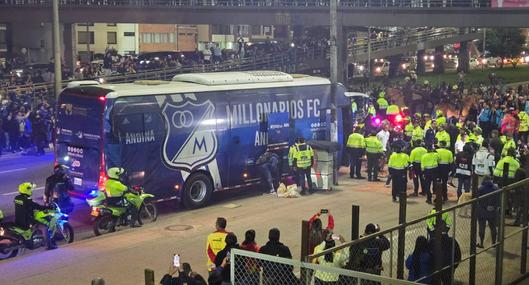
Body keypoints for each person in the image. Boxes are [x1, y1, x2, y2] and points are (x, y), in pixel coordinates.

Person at [14, 182, 56, 249]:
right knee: (45, 228)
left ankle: (37, 239)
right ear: (27, 190)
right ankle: (49, 246)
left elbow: (25, 207)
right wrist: (49, 207)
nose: (31, 190)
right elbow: (38, 207)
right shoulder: (27, 200)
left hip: (19, 220)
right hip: (28, 221)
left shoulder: (17, 198)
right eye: (30, 189)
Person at [477, 176, 499, 248]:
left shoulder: (480, 188)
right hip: (493, 211)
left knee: (481, 227)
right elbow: (498, 200)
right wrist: (494, 207)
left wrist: (485, 206)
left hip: (482, 211)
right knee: (493, 227)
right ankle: (494, 243)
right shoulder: (496, 189)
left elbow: (478, 200)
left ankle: (481, 243)